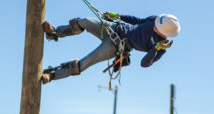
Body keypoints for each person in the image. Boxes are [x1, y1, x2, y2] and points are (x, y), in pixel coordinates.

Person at [42, 13, 180, 84]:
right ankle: (53, 33)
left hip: (116, 46)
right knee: (84, 22)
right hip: (114, 28)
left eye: (158, 29)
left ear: (165, 34)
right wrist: (119, 16)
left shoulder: (161, 48)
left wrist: (155, 48)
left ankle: (52, 74)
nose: (155, 27)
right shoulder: (157, 19)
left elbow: (144, 64)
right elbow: (138, 20)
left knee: (84, 63)